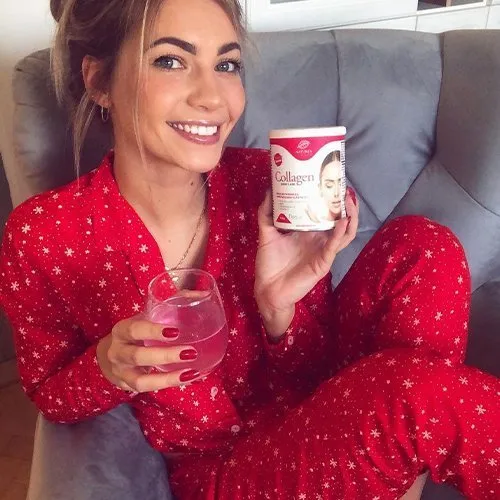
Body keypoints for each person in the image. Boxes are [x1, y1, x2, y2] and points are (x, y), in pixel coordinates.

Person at [0, 0, 498, 499]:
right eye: (170, 60)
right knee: (414, 397)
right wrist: (108, 366)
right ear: (98, 81)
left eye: (227, 65)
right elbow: (49, 393)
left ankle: (393, 468)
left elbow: (310, 368)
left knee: (425, 246)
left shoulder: (264, 181)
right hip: (223, 469)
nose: (212, 97)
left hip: (326, 408)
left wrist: (280, 308)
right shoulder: (44, 234)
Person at [307, 150, 344, 223]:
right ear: (320, 189)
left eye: (341, 183)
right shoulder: (316, 221)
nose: (336, 193)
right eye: (329, 185)